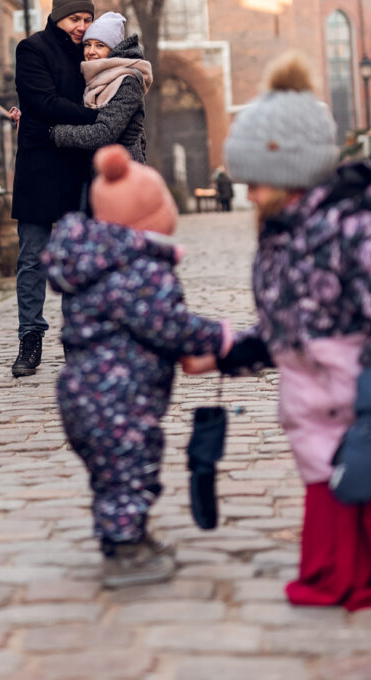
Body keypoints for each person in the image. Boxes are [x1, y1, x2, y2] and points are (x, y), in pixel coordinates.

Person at [184, 51, 371, 611]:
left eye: (257, 182)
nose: (248, 195)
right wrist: (224, 353)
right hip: (322, 421)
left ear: (290, 171)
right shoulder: (280, 234)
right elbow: (288, 329)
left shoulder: (359, 225)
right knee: (329, 576)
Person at [41, 144, 232, 589]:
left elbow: (146, 327)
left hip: (85, 393)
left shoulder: (96, 264)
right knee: (129, 469)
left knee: (114, 471)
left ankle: (127, 536)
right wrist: (218, 339)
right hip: (119, 397)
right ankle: (124, 549)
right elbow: (171, 325)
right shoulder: (141, 271)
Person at [10, 0, 98, 379]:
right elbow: (42, 103)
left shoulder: (92, 55)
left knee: (74, 259)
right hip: (39, 165)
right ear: (59, 15)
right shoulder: (32, 49)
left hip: (77, 164)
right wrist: (95, 118)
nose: (82, 26)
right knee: (32, 258)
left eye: (87, 19)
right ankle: (30, 338)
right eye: (76, 18)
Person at [49, 11, 152, 163]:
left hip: (123, 173)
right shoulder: (92, 79)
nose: (91, 52)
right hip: (102, 172)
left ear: (113, 49)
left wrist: (56, 133)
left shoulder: (127, 81)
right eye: (87, 45)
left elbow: (104, 133)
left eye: (100, 46)